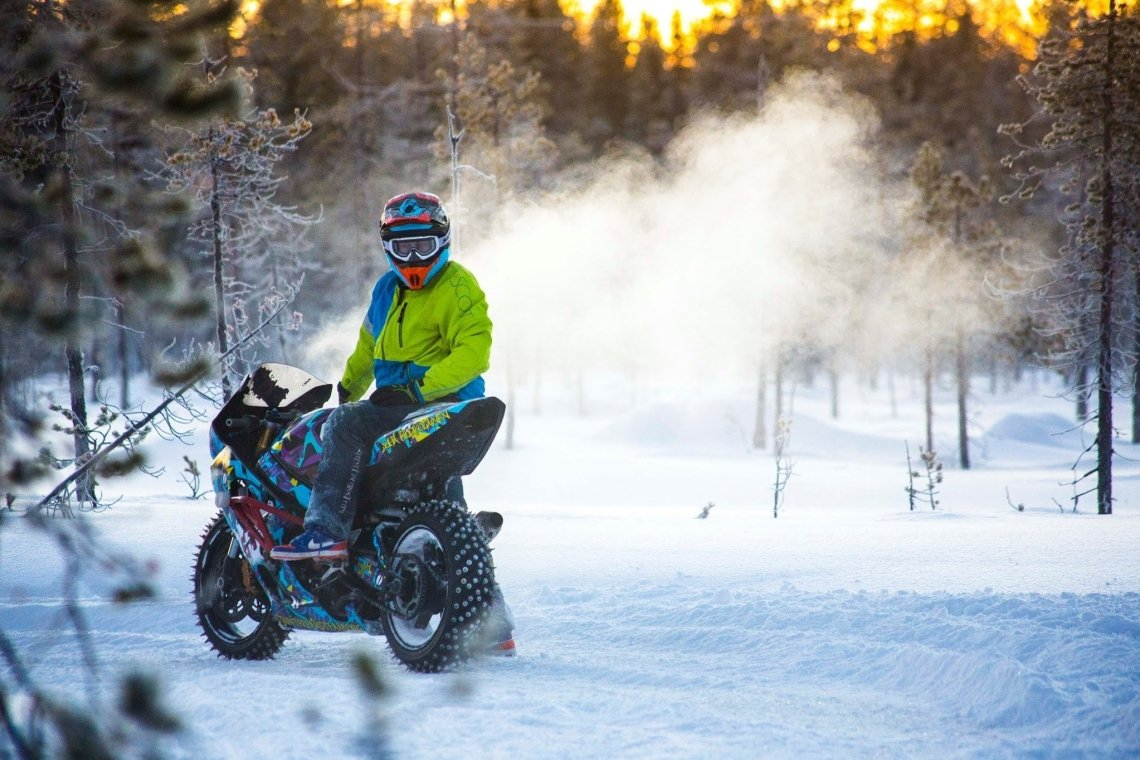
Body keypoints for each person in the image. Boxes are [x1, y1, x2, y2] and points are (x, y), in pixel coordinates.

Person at [270, 191, 493, 562]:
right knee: (424, 470)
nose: (413, 258)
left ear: (443, 242)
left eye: (423, 246)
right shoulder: (386, 290)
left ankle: (326, 530)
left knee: (346, 424)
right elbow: (368, 346)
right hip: (403, 403)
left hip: (442, 401)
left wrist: (417, 391)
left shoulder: (457, 285)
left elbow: (474, 352)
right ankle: (456, 535)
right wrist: (347, 387)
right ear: (388, 248)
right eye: (403, 248)